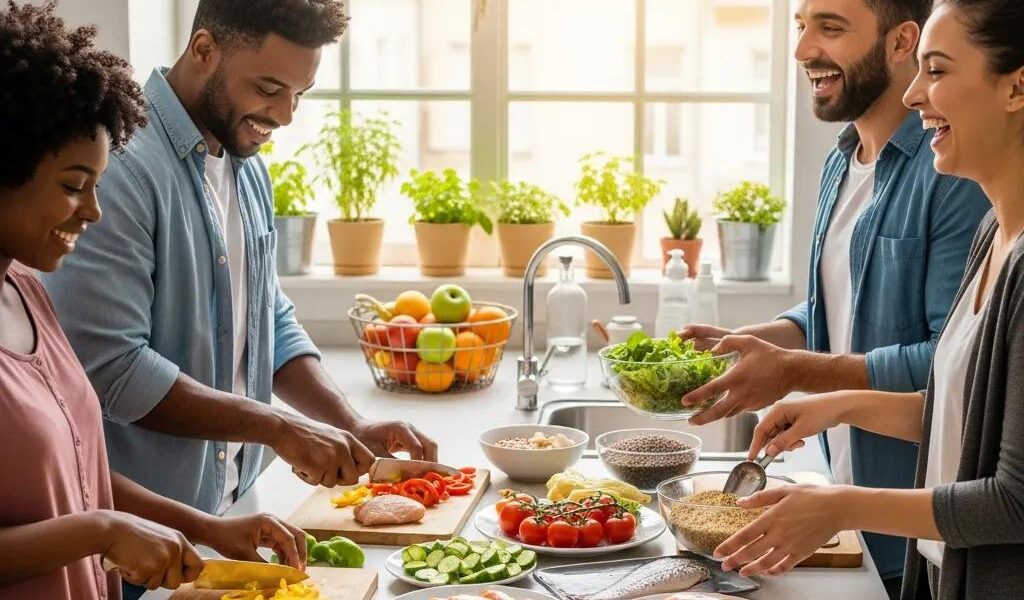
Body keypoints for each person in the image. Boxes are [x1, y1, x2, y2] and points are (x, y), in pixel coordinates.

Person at [713, 2, 1024, 597]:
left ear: (1016, 88)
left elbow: (1014, 499)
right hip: (937, 568)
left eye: (937, 70)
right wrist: (841, 406)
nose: (915, 96)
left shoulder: (999, 240)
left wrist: (841, 507)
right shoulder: (993, 238)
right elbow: (964, 415)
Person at [0, 3, 307, 598]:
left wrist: (206, 528)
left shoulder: (29, 293)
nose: (93, 210)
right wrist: (102, 532)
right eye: (72, 186)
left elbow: (80, 467)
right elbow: (90, 514)